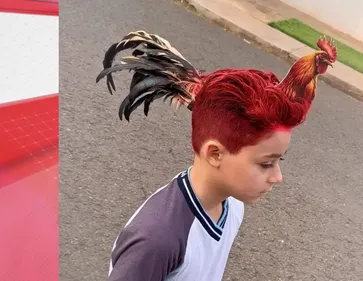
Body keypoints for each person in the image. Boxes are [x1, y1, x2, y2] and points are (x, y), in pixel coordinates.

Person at [96, 30, 335, 281]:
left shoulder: (232, 206)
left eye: (279, 160)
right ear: (214, 154)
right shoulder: (157, 240)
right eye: (267, 163)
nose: (278, 177)